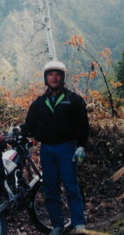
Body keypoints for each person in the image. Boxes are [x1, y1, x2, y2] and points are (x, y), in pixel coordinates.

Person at [16, 60, 89, 235]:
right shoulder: (39, 103)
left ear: (62, 77)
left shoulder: (73, 100)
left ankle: (79, 224)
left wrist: (81, 146)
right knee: (50, 188)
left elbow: (83, 125)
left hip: (67, 148)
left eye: (57, 74)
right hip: (47, 150)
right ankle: (57, 226)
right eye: (50, 74)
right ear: (45, 78)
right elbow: (30, 126)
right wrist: (18, 130)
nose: (54, 77)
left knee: (71, 186)